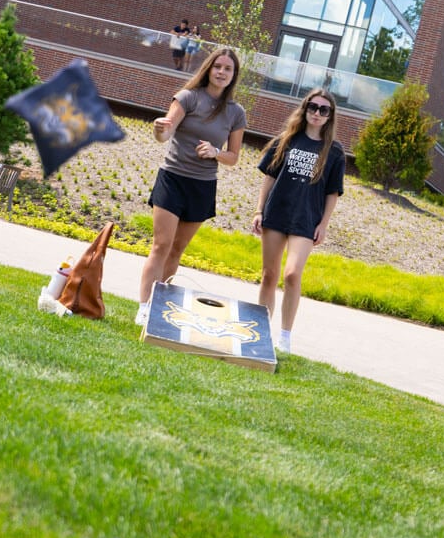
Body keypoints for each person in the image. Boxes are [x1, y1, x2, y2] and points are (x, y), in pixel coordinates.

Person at [135, 47, 247, 326]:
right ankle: (144, 307)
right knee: (161, 245)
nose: (222, 72)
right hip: (173, 177)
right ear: (209, 69)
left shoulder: (236, 113)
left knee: (176, 251)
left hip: (203, 186)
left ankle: (159, 308)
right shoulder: (188, 97)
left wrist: (215, 152)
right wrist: (158, 128)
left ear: (233, 76)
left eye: (228, 69)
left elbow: (233, 158)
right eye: (218, 66)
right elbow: (165, 133)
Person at [251, 88, 345, 353]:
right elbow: (268, 177)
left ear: (330, 115)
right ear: (304, 109)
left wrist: (323, 224)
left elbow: (333, 192)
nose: (317, 113)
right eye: (312, 107)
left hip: (306, 220)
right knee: (269, 276)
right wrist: (259, 211)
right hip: (276, 213)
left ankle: (285, 336)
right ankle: (260, 332)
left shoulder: (334, 152)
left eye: (323, 109)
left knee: (292, 275)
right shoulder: (286, 139)